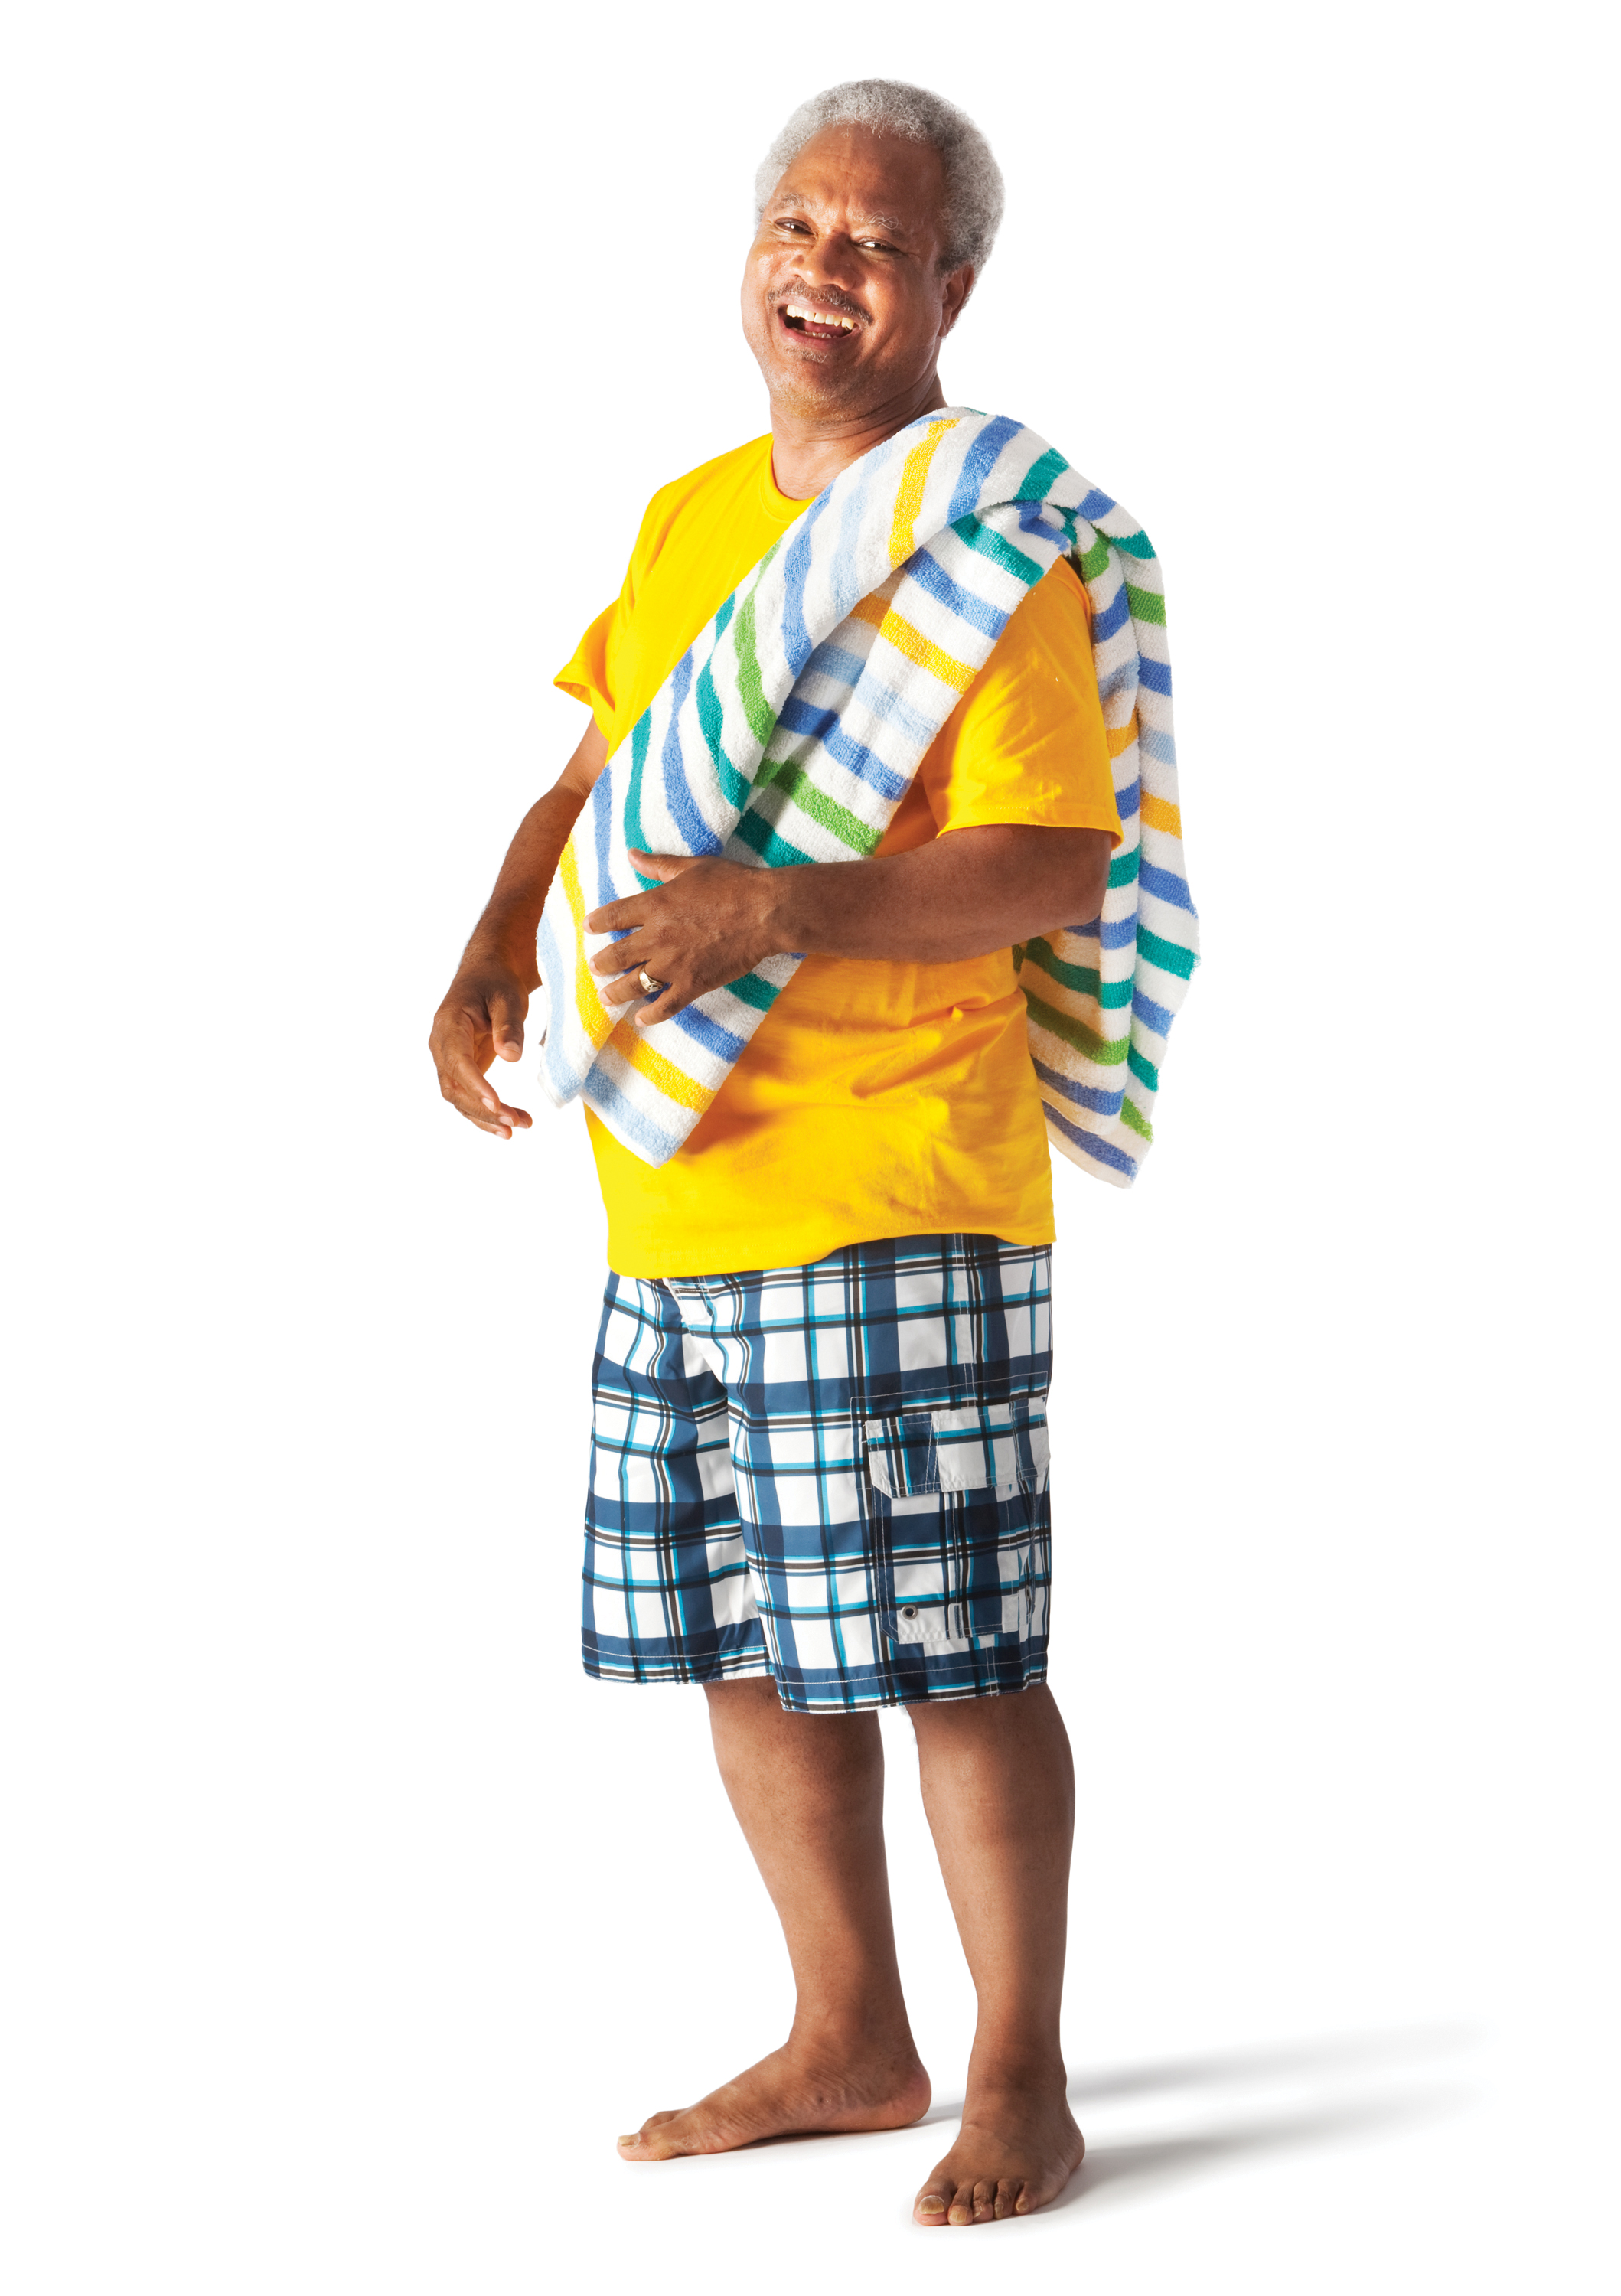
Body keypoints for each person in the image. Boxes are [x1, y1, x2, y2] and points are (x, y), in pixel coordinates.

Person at [430, 80, 1166, 2228]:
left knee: (953, 1651)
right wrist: (487, 946)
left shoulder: (988, 545)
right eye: (798, 225)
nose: (825, 267)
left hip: (892, 1181)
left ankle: (1019, 2075)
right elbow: (590, 773)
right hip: (673, 1193)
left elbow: (1052, 859)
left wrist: (775, 907)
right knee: (739, 1641)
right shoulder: (688, 517)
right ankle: (850, 2035)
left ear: (953, 286)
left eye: (877, 240)